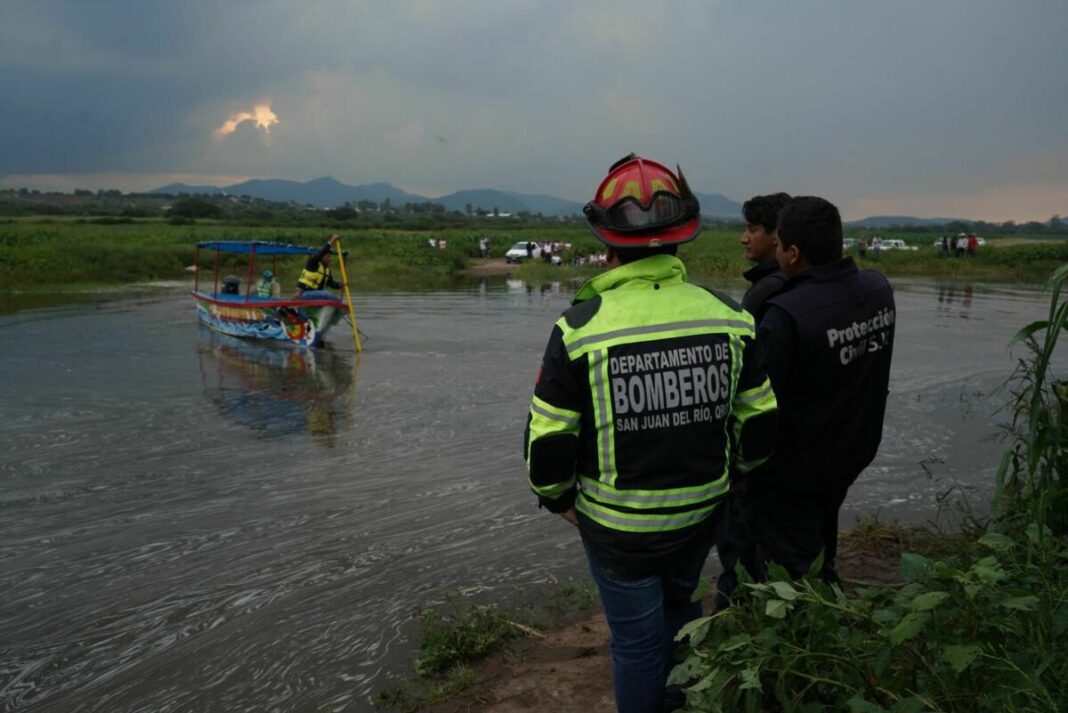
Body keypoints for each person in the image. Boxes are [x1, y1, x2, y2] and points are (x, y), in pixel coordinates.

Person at [524, 154, 777, 712]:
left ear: (606, 241)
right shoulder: (730, 317)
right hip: (702, 513)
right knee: (681, 609)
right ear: (681, 239)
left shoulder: (579, 329)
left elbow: (548, 442)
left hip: (618, 528)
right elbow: (759, 424)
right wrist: (732, 476)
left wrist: (556, 497)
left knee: (637, 644)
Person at [745, 196, 895, 584]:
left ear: (792, 253)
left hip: (796, 467)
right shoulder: (878, 289)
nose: (774, 253)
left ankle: (804, 631)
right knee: (821, 534)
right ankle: (826, 585)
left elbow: (759, 402)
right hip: (853, 448)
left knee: (788, 567)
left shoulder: (786, 314)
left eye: (778, 246)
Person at [713, 191, 791, 611]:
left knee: (741, 558)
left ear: (777, 237)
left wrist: (740, 462)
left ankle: (730, 636)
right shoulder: (801, 284)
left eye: (752, 230)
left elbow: (750, 388)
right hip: (794, 458)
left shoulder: (765, 295)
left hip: (758, 463)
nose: (744, 239)